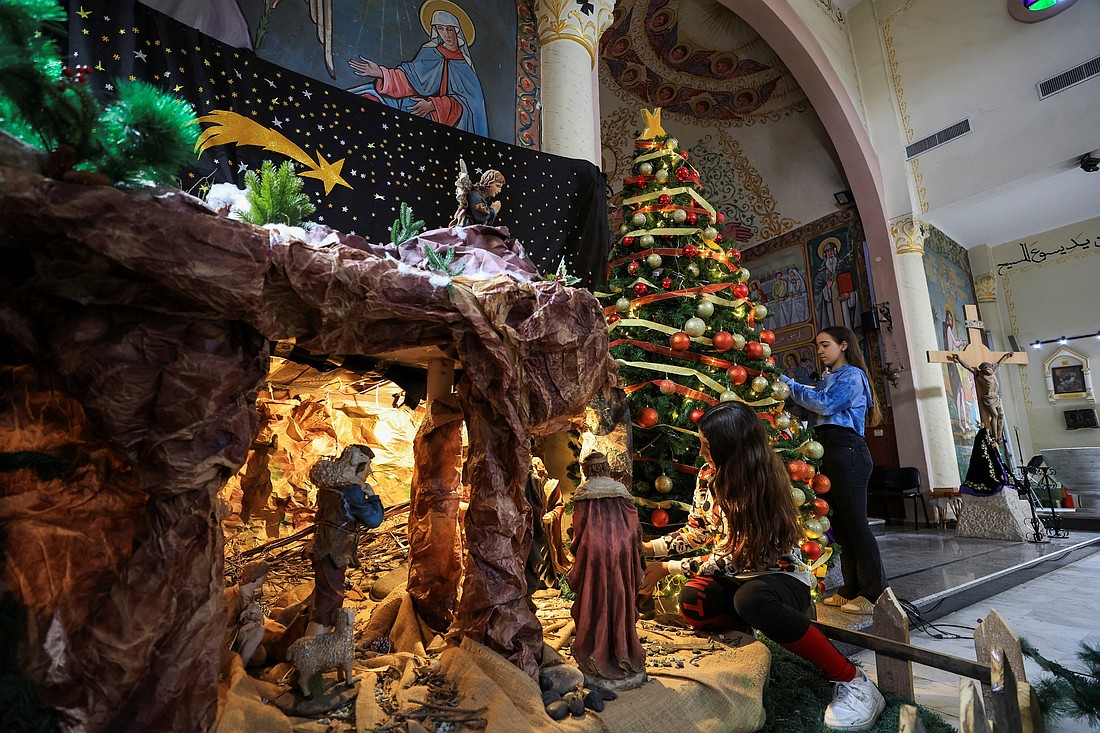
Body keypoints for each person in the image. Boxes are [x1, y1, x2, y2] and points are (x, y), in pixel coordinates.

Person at [640, 402, 885, 731]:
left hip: (779, 582)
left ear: (732, 446)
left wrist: (667, 568)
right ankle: (741, 648)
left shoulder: (763, 482)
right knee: (693, 600)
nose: (701, 454)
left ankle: (853, 680)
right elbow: (698, 530)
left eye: (707, 446)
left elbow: (740, 557)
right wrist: (650, 548)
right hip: (734, 577)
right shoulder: (708, 475)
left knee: (751, 599)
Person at [779, 326, 889, 616]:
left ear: (843, 345)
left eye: (825, 345)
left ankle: (875, 593)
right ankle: (852, 589)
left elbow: (824, 405)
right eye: (817, 346)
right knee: (840, 526)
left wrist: (786, 383)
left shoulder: (852, 375)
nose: (819, 351)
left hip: (847, 450)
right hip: (827, 449)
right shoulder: (829, 378)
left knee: (856, 524)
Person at [568, 452, 646, 689]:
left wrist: (579, 544)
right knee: (620, 596)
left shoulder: (584, 492)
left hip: (594, 553)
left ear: (587, 470)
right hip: (621, 552)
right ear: (606, 468)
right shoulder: (620, 490)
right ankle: (623, 651)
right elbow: (634, 524)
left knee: (597, 598)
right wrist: (628, 543)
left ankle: (597, 651)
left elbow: (579, 528)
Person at [347, 7, 488, 135]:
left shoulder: (465, 67)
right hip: (412, 104)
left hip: (442, 116)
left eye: (450, 29)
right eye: (440, 28)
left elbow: (468, 104)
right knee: (370, 98)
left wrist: (433, 105)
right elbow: (409, 78)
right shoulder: (430, 53)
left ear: (457, 31)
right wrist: (381, 73)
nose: (446, 34)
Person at [306, 445, 385, 637]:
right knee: (330, 600)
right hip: (333, 551)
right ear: (358, 466)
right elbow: (373, 519)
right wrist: (373, 496)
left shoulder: (331, 487)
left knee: (327, 597)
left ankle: (318, 646)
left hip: (326, 548)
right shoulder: (351, 491)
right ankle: (311, 650)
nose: (370, 472)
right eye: (368, 466)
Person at [950, 352, 1012, 441]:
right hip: (989, 398)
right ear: (983, 370)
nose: (989, 369)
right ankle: (994, 436)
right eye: (986, 368)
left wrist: (1006, 356)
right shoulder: (980, 375)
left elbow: (999, 364)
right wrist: (958, 359)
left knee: (1001, 415)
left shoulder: (993, 372)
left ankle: (999, 436)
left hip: (996, 397)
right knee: (994, 415)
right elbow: (967, 367)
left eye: (990, 367)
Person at [813, 239, 858, 330]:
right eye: (827, 251)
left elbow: (856, 286)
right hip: (830, 305)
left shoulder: (845, 267)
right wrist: (827, 288)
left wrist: (850, 295)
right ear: (825, 254)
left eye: (831, 250)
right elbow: (817, 293)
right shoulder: (821, 274)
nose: (830, 253)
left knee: (847, 324)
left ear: (835, 251)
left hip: (845, 302)